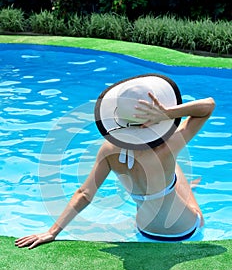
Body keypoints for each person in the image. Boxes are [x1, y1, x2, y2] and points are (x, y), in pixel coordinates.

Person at [15, 73, 215, 249]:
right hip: (184, 231)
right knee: (181, 184)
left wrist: (53, 232)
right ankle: (186, 190)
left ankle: (181, 188)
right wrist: (168, 113)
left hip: (145, 231)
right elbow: (208, 106)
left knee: (171, 176)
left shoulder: (109, 149)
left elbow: (84, 194)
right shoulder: (168, 146)